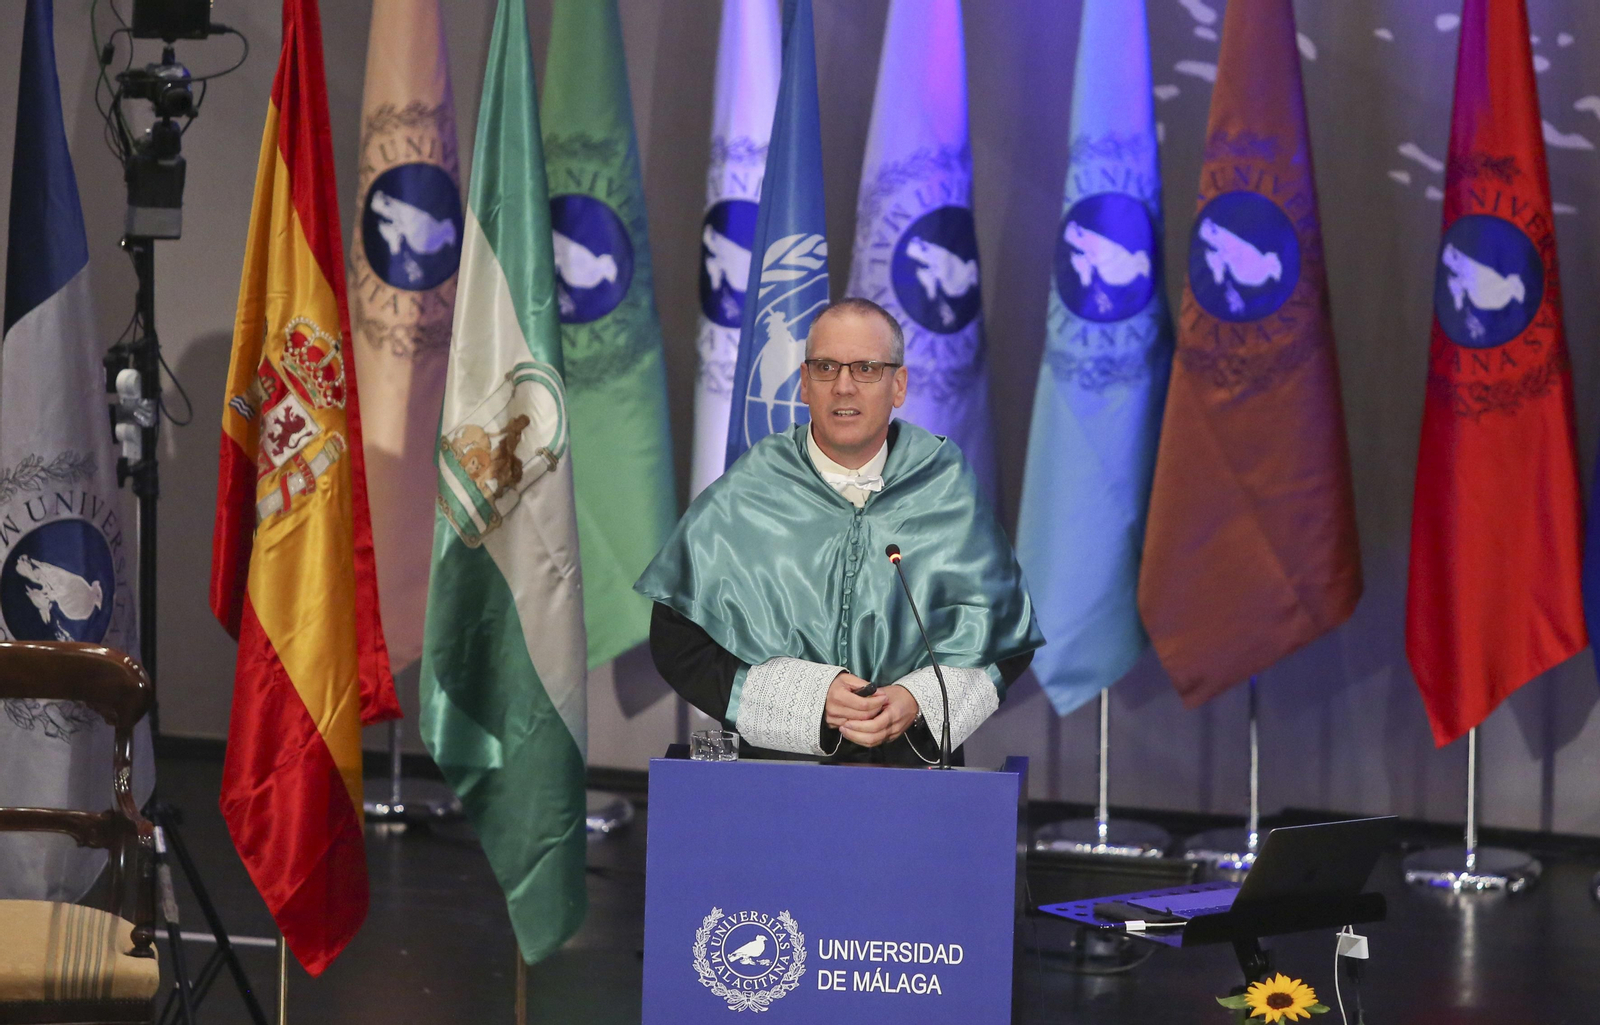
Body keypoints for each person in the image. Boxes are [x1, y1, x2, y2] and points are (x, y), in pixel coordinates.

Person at [635, 298, 1042, 765]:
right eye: (826, 367)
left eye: (867, 368)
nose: (844, 386)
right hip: (773, 777)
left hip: (911, 776)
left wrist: (918, 700)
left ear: (899, 385)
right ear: (805, 384)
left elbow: (1005, 638)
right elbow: (678, 642)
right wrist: (808, 698)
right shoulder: (752, 488)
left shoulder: (945, 484)